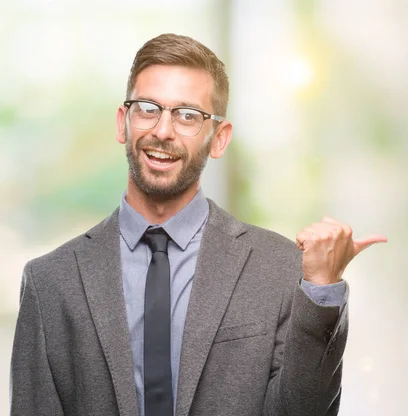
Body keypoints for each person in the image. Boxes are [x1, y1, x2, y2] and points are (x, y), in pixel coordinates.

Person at [9, 33, 387, 416]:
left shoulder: (280, 270)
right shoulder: (51, 282)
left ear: (218, 139)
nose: (162, 131)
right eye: (148, 108)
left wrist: (322, 290)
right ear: (124, 122)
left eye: (188, 115)